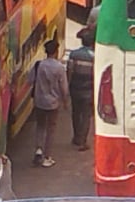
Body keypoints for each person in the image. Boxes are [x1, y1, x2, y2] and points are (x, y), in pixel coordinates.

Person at [32, 39, 69, 168]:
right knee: (51, 129)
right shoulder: (59, 67)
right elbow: (63, 87)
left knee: (40, 126)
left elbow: (31, 79)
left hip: (39, 101)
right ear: (56, 51)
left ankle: (38, 149)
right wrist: (65, 101)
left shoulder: (40, 65)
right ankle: (47, 156)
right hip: (53, 103)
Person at [68, 28, 95, 151]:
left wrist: (68, 86)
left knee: (75, 113)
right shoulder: (94, 57)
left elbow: (70, 71)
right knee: (86, 115)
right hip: (88, 90)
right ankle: (83, 140)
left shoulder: (74, 54)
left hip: (75, 88)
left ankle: (76, 136)